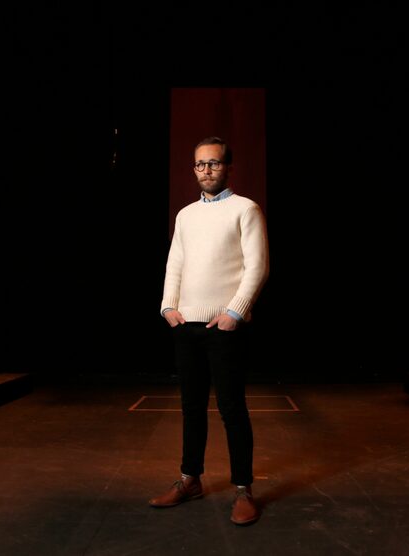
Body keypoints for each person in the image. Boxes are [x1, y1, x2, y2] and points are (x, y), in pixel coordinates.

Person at [149, 136, 269, 526]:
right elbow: (175, 264)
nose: (207, 170)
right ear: (194, 169)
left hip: (227, 326)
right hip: (186, 325)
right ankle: (190, 479)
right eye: (200, 164)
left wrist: (236, 312)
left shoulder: (245, 209)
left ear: (228, 167)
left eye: (214, 163)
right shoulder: (185, 215)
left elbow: (258, 267)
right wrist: (168, 306)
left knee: (232, 410)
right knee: (190, 409)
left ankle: (243, 489)